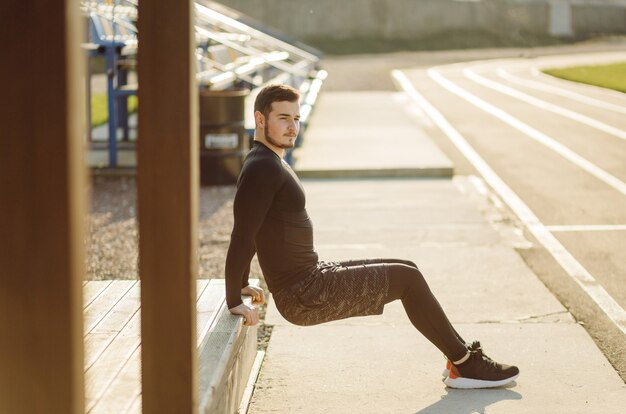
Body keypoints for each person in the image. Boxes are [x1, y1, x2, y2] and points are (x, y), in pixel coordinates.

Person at [225, 84, 519, 389]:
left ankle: (460, 359)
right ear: (260, 119)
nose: (292, 127)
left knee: (408, 268)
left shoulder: (268, 160)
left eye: (296, 119)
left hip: (310, 278)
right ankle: (465, 365)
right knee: (407, 280)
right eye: (284, 118)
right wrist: (234, 297)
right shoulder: (263, 167)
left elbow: (253, 228)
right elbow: (242, 235)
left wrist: (244, 281)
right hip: (304, 294)